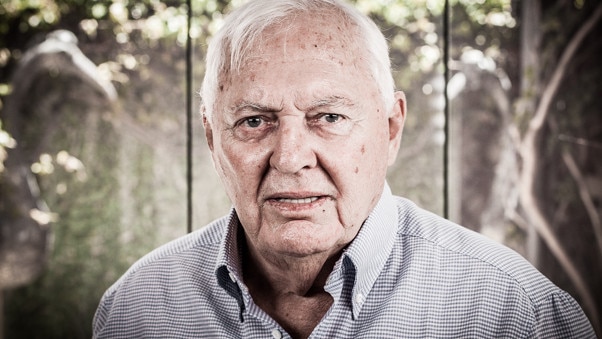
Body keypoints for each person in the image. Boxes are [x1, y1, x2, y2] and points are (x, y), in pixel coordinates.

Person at [93, 0, 596, 338]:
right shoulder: (137, 309)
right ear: (210, 135)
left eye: (328, 117)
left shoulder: (512, 311)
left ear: (391, 127)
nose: (290, 158)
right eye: (254, 121)